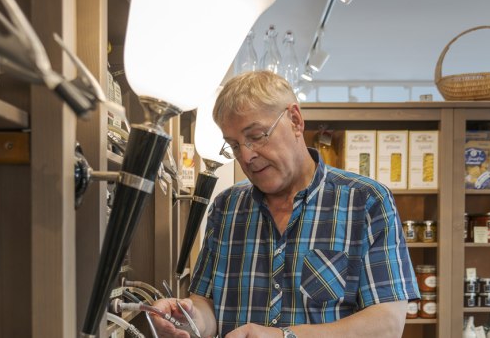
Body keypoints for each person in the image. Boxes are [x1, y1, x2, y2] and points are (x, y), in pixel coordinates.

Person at [152, 71, 420, 338]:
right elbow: (206, 304)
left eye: (256, 136)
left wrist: (285, 337)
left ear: (295, 120)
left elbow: (387, 324)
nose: (246, 156)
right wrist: (186, 318)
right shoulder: (226, 208)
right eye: (233, 145)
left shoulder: (366, 201)